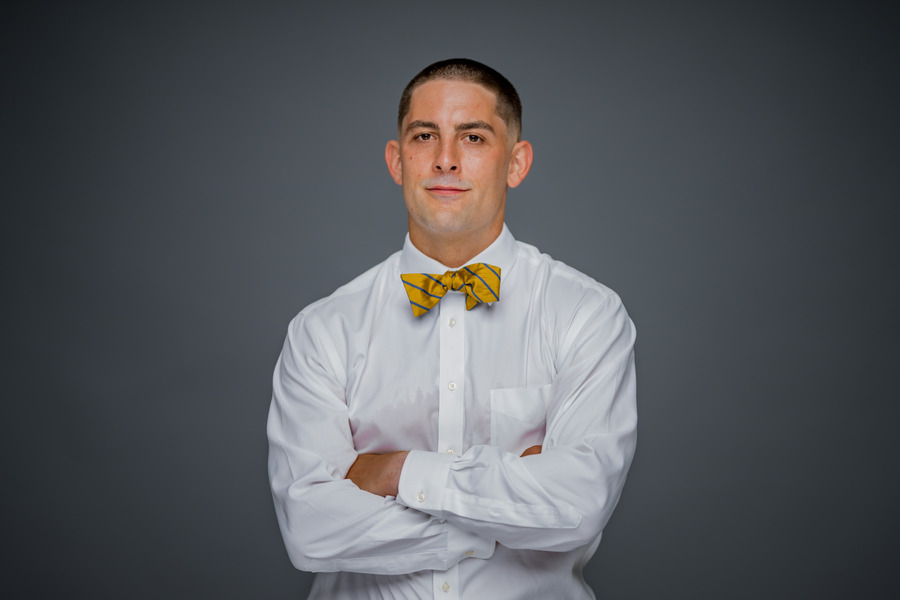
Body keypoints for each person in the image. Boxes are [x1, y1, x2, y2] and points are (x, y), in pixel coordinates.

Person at [267, 58, 637, 599]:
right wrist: (507, 509)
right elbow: (310, 531)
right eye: (424, 136)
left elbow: (578, 505)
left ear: (516, 163)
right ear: (397, 161)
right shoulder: (322, 330)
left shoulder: (587, 314)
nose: (445, 159)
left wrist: (395, 472)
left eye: (473, 137)